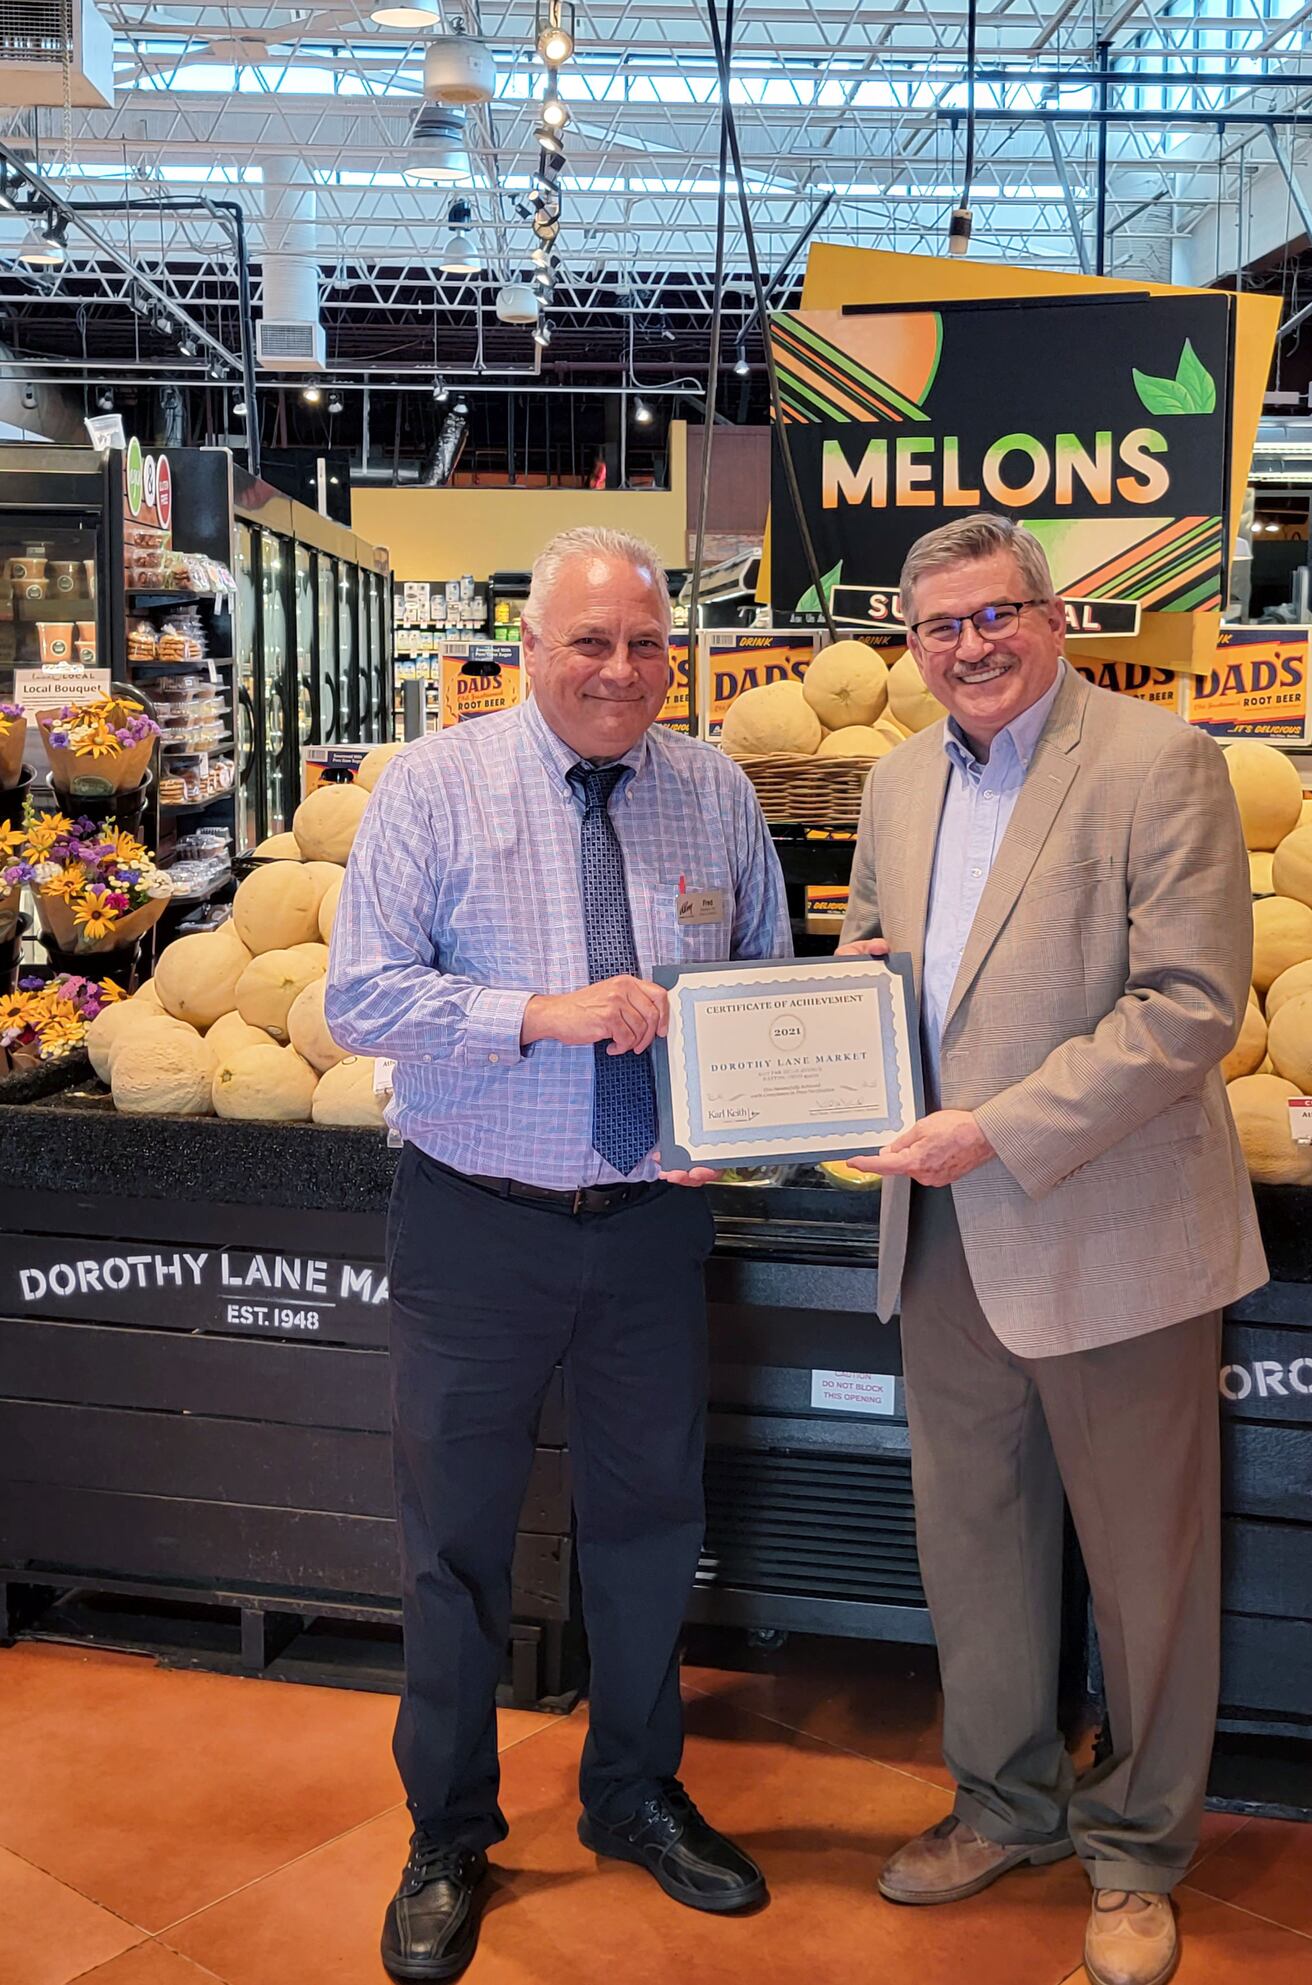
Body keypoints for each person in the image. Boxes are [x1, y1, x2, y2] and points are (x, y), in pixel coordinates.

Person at [325, 525, 791, 1982]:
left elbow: (770, 984)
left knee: (652, 1524)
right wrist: (543, 1011)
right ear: (528, 649)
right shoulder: (435, 787)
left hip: (651, 1220)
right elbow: (360, 999)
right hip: (476, 1220)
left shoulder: (716, 792)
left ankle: (634, 1791)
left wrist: (758, 1106)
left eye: (648, 644)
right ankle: (448, 1830)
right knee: (454, 1543)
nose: (622, 669)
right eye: (590, 642)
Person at [838, 514, 1266, 1985]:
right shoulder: (895, 781)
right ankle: (1005, 1804)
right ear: (913, 645)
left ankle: (1139, 1854)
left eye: (996, 612)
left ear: (1055, 614)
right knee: (973, 1543)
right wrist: (836, 1031)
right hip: (945, 1228)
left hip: (1111, 1225)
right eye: (941, 625)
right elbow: (881, 955)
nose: (971, 644)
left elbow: (1189, 1006)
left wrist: (997, 1126)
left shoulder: (1158, 763)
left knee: (1146, 1568)